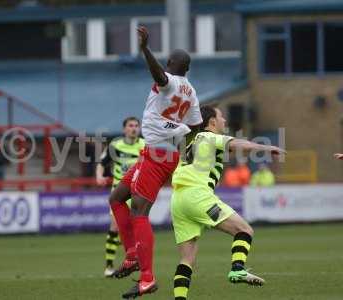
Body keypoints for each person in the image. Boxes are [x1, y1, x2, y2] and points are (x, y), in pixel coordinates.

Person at [109, 26, 202, 298]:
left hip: (158, 154)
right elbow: (195, 126)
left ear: (173, 65)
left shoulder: (169, 81)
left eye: (167, 61)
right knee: (117, 197)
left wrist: (145, 49)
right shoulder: (192, 92)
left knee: (139, 210)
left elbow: (159, 75)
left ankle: (146, 277)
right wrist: (185, 145)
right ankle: (131, 255)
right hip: (163, 152)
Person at [170, 106, 286, 300]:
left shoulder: (192, 143)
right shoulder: (209, 136)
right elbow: (238, 143)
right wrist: (266, 147)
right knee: (244, 230)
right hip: (197, 195)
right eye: (221, 117)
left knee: (187, 259)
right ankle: (237, 269)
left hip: (178, 200)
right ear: (212, 122)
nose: (224, 121)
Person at [96, 117, 145, 277]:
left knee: (134, 229)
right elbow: (101, 163)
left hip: (138, 192)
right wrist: (99, 176)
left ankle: (136, 262)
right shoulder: (116, 146)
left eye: (136, 126)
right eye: (130, 126)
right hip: (119, 192)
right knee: (115, 227)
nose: (134, 128)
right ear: (124, 129)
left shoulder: (144, 145)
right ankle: (109, 265)